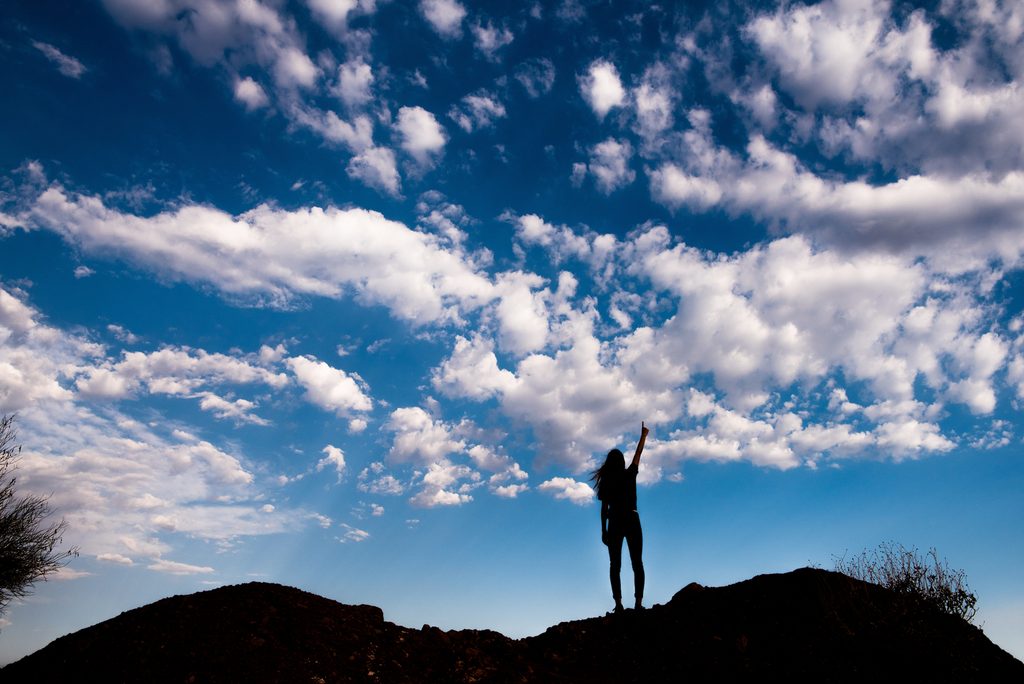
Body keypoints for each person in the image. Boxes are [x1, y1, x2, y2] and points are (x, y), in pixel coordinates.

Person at [592, 421, 649, 613]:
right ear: (622, 462)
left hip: (615, 521)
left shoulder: (607, 482)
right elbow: (638, 454)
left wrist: (603, 531)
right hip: (632, 520)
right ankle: (639, 603)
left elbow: (603, 509)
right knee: (637, 562)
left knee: (614, 564)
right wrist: (643, 436)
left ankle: (618, 604)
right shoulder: (629, 474)